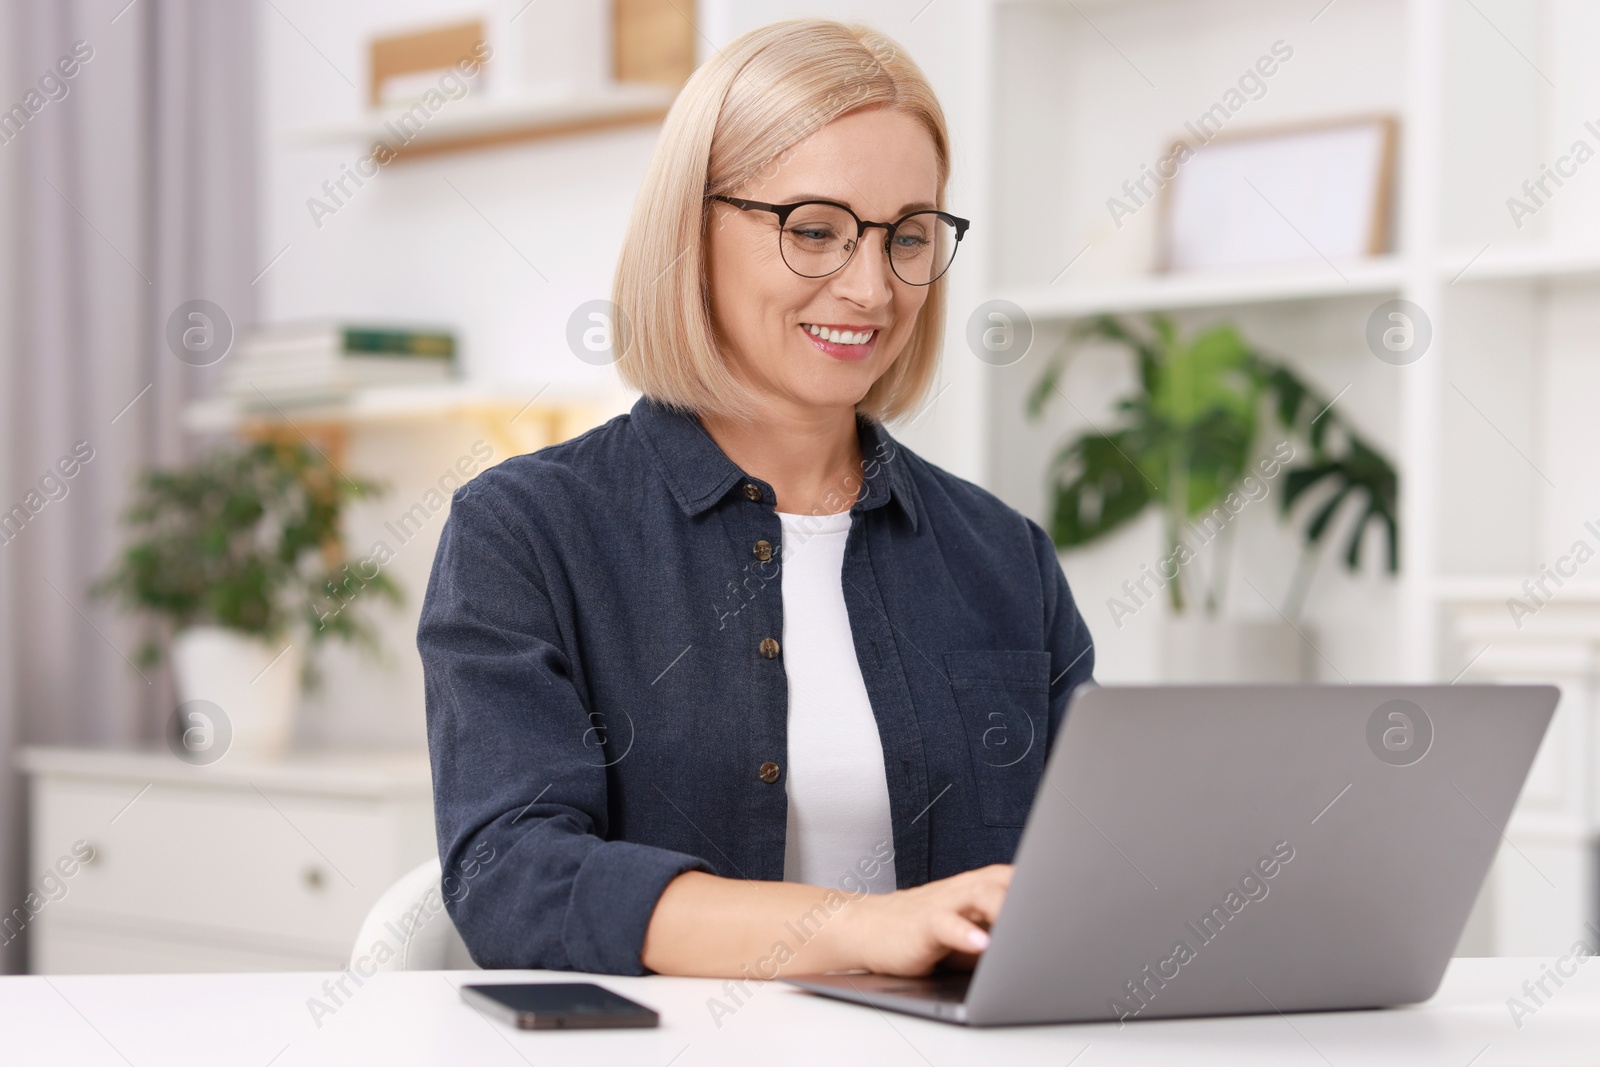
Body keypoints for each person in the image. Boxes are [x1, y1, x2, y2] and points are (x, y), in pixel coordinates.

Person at [418, 17, 1094, 980]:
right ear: (691, 232)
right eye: (814, 230)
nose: (871, 287)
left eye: (908, 236)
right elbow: (513, 876)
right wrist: (863, 927)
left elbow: (1093, 867)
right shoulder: (526, 531)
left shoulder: (1003, 554)